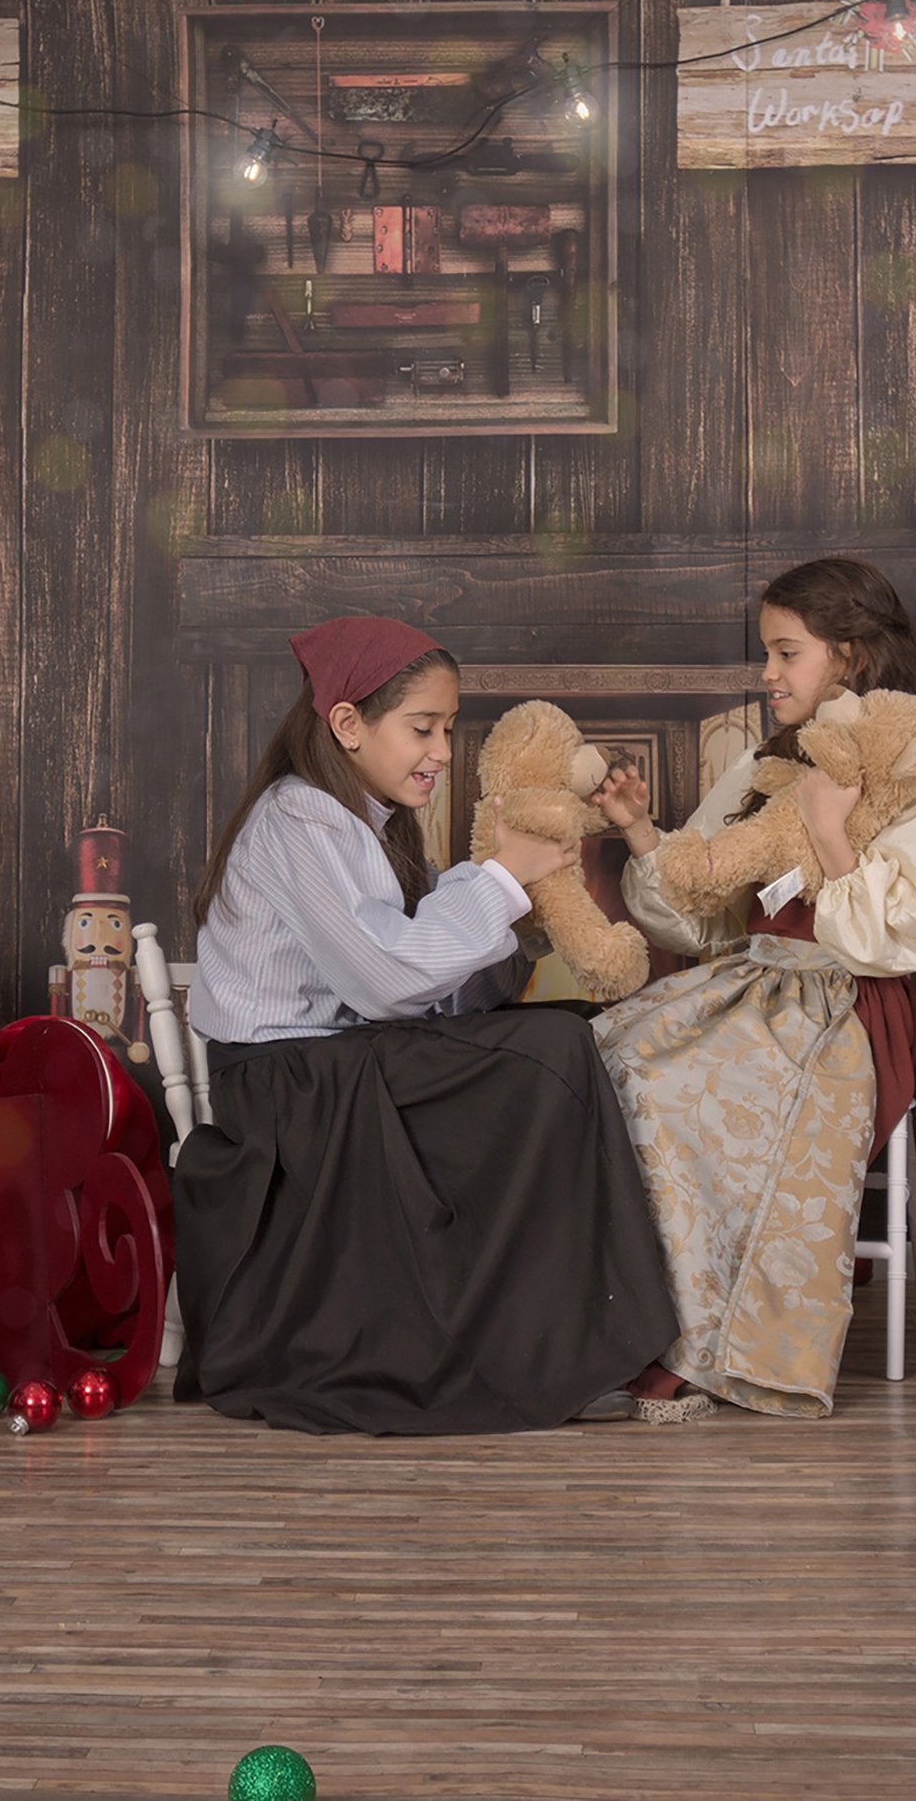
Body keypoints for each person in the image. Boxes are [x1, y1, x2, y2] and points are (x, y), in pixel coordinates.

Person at [170, 615, 680, 1435]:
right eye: (423, 728)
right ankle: (556, 1340)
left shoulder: (374, 827)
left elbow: (438, 995)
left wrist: (530, 913)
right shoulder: (300, 818)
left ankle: (572, 1328)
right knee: (550, 1052)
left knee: (577, 1028)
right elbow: (386, 979)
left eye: (448, 729)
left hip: (343, 1064)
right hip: (291, 1088)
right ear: (347, 724)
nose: (443, 750)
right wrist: (502, 877)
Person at [588, 560, 916, 1421]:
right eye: (768, 653)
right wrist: (644, 833)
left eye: (787, 653)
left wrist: (831, 831)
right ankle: (613, 1318)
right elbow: (709, 919)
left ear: (853, 657)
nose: (768, 673)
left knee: (675, 1089)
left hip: (845, 1006)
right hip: (750, 986)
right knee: (607, 1059)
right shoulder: (765, 767)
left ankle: (697, 1340)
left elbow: (893, 942)